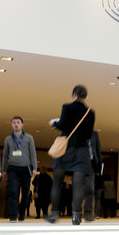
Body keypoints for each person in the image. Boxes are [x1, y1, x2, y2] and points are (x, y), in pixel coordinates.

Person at [45, 85, 96, 225]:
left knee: (57, 182)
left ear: (73, 94)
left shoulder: (67, 107)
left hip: (65, 150)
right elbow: (88, 134)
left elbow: (62, 125)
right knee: (78, 186)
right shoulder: (90, 112)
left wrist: (53, 123)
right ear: (85, 96)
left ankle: (54, 213)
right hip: (81, 151)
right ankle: (76, 216)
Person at [1, 116, 38, 222]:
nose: (16, 124)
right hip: (12, 168)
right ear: (11, 125)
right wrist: (4, 170)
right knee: (12, 191)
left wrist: (35, 167)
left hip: (26, 168)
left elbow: (33, 154)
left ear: (22, 125)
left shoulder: (29, 138)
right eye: (13, 122)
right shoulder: (8, 139)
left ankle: (22, 214)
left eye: (18, 122)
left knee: (25, 193)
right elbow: (5, 156)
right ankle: (13, 215)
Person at [82, 131, 102, 222]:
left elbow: (98, 150)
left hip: (90, 164)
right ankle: (76, 212)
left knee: (90, 189)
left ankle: (88, 212)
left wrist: (98, 168)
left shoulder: (94, 134)